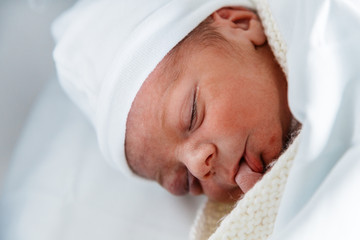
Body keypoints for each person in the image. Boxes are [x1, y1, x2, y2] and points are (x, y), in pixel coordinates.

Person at [53, 0, 360, 239]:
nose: (199, 165)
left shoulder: (327, 21)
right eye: (186, 182)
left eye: (192, 114)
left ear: (240, 24)